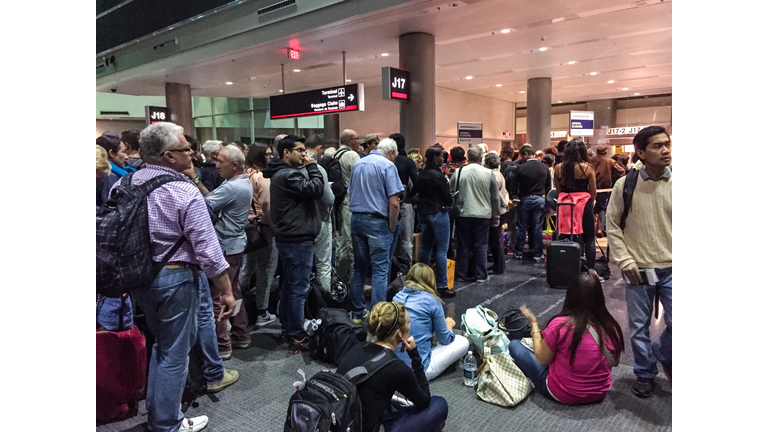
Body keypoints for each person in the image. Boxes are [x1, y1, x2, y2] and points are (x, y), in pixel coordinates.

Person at [114, 122, 236, 432]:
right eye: (186, 149)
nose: (192, 153)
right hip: (175, 278)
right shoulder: (183, 190)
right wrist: (226, 290)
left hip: (137, 276)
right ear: (168, 156)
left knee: (161, 344)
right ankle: (167, 422)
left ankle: (158, 411)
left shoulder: (124, 185)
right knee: (174, 353)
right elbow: (208, 249)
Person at [606, 126, 672, 398]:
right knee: (638, 326)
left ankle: (661, 353)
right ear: (641, 153)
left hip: (673, 268)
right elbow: (612, 225)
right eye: (657, 146)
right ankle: (644, 372)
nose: (666, 150)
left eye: (667, 144)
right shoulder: (626, 185)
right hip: (640, 269)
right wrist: (624, 259)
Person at [509, 271, 624, 405]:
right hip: (599, 393)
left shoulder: (560, 324)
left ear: (571, 295)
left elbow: (542, 359)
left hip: (563, 393)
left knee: (515, 346)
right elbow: (614, 362)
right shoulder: (611, 326)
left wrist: (534, 324)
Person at [336, 302, 449, 432]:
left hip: (345, 417)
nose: (410, 325)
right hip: (366, 427)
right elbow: (425, 400)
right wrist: (414, 355)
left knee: (394, 403)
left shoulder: (358, 347)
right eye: (408, 322)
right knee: (439, 405)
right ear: (399, 333)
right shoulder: (396, 366)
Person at [185, 144, 253, 360]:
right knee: (234, 290)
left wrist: (194, 179)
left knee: (218, 297)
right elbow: (213, 197)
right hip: (234, 246)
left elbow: (204, 205)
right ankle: (241, 334)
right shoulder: (239, 182)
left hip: (224, 248)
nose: (216, 165)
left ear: (234, 165)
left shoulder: (232, 187)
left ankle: (222, 345)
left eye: (220, 162)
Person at [263, 135, 325, 354]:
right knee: (298, 289)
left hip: (291, 238)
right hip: (297, 239)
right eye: (299, 150)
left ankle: (289, 328)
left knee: (290, 287)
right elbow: (316, 189)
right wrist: (314, 167)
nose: (304, 154)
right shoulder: (288, 174)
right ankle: (297, 334)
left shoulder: (282, 174)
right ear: (286, 152)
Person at [348, 138, 404, 322]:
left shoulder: (358, 164)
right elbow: (394, 203)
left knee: (359, 268)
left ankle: (357, 313)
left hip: (356, 219)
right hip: (378, 222)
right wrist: (392, 224)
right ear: (392, 153)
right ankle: (377, 317)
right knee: (381, 269)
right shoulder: (388, 166)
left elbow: (351, 193)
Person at [393, 264, 469, 380]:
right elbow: (445, 338)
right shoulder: (431, 301)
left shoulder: (396, 298)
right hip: (418, 370)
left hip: (394, 366)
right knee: (463, 341)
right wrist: (449, 325)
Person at [239, 143, 278, 327]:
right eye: (267, 155)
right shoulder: (263, 177)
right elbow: (268, 206)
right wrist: (275, 226)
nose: (270, 157)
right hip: (264, 228)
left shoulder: (243, 174)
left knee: (247, 266)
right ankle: (262, 311)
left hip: (247, 227)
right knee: (266, 269)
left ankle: (241, 304)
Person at [449, 146, 500, 283]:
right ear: (480, 158)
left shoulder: (459, 172)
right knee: (481, 245)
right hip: (483, 214)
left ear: (468, 157)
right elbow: (495, 197)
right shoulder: (489, 173)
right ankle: (481, 275)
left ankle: (460, 274)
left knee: (463, 246)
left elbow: (451, 191)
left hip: (463, 213)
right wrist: (496, 215)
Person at [413, 146, 454, 298]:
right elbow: (447, 198)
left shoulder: (421, 173)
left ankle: (423, 280)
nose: (443, 159)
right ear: (435, 158)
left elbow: (414, 193)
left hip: (424, 213)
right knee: (442, 250)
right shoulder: (438, 176)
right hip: (439, 212)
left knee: (425, 247)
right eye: (441, 156)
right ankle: (442, 285)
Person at [553, 139, 597, 273]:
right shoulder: (587, 168)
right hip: (584, 205)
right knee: (589, 238)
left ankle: (565, 268)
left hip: (565, 205)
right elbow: (593, 191)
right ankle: (591, 270)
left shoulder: (558, 168)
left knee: (563, 236)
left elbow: (558, 189)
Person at [508, 145, 551, 262]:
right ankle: (537, 254)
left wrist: (515, 195)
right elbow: (548, 187)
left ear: (526, 154)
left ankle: (519, 253)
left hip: (525, 199)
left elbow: (513, 187)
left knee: (522, 226)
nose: (521, 158)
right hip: (540, 199)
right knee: (537, 227)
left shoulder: (520, 168)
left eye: (522, 156)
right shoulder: (544, 167)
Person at [306, 136, 336, 292]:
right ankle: (322, 303)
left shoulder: (292, 168)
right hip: (321, 220)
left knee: (304, 267)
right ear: (319, 148)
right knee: (323, 263)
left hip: (301, 223)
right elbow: (329, 199)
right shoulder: (318, 169)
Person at [334, 129, 362, 285]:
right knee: (353, 241)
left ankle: (340, 278)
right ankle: (353, 281)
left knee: (342, 241)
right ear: (349, 140)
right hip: (350, 202)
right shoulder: (352, 155)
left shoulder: (335, 155)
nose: (359, 142)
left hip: (339, 202)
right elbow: (361, 177)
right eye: (357, 138)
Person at [390, 133, 419, 278]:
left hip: (387, 203)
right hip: (405, 203)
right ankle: (406, 270)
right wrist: (409, 197)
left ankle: (391, 267)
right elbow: (417, 182)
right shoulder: (407, 162)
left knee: (389, 238)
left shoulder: (386, 161)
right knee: (407, 239)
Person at [592, 144, 626, 238]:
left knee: (594, 208)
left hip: (590, 188)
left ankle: (591, 227)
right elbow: (622, 171)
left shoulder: (591, 160)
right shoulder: (610, 161)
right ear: (606, 152)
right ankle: (600, 229)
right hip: (604, 188)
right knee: (603, 207)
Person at [96, 132, 137, 207]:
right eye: (124, 152)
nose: (127, 157)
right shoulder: (109, 175)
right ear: (111, 153)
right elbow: (109, 207)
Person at [484, 152, 508, 274]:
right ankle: (500, 264)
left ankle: (499, 265)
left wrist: (504, 203)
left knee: (495, 239)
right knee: (497, 238)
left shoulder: (491, 175)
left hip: (496, 210)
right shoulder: (500, 174)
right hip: (501, 210)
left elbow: (496, 194)